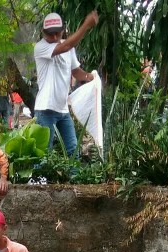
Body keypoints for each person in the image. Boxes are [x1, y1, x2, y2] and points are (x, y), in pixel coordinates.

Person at [33, 11, 99, 156]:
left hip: (63, 109)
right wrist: (86, 25)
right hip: (45, 109)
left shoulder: (68, 48)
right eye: (50, 34)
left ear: (63, 30)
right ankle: (41, 178)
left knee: (73, 150)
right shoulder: (40, 47)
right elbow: (66, 47)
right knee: (44, 153)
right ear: (43, 33)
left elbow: (76, 71)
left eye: (57, 33)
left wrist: (92, 77)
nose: (55, 37)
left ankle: (74, 178)